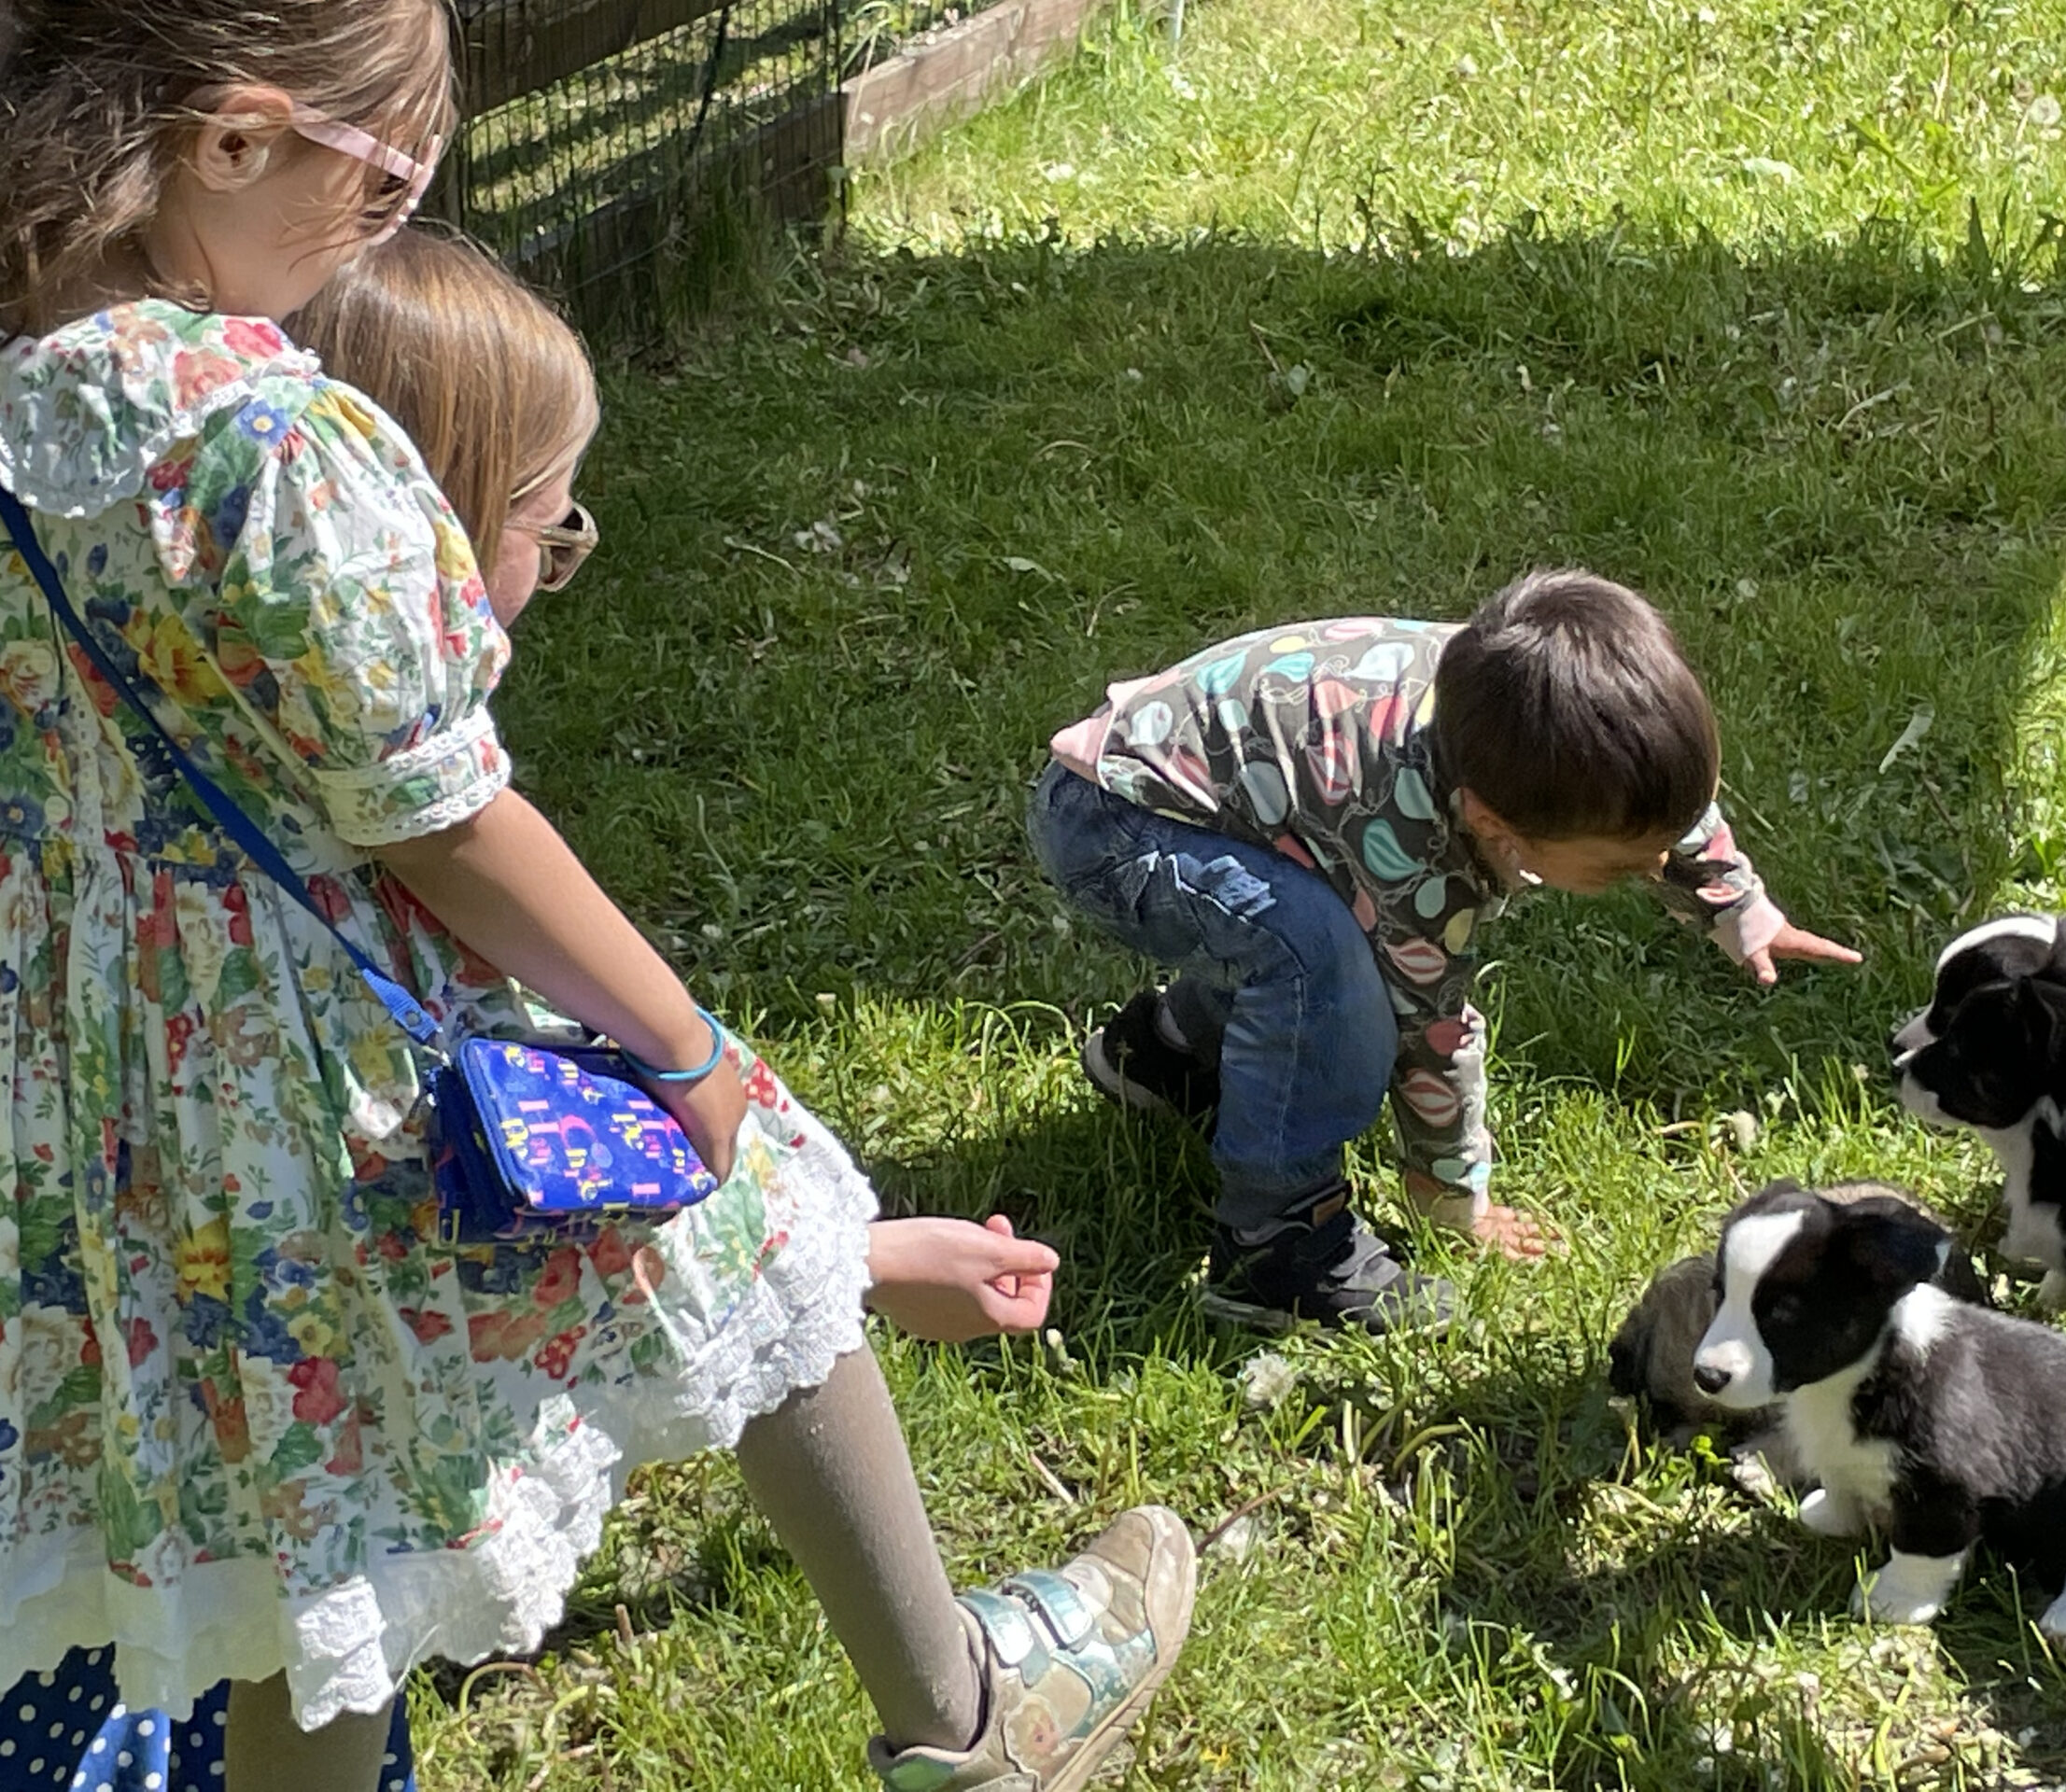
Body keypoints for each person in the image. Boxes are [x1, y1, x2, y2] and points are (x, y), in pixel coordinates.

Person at [0, 11, 1192, 1791]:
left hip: (129, 1087)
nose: (395, 223)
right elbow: (440, 817)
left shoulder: (32, 398)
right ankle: (971, 1722)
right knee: (758, 1213)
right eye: (386, 172)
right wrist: (683, 1038)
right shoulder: (267, 437)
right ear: (235, 144)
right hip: (349, 1053)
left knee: (298, 1512)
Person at [1029, 574, 1862, 1334]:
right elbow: (1426, 1032)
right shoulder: (1419, 846)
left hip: (1186, 791)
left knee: (1312, 926)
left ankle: (1168, 1056)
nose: (1650, 868)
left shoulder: (1514, 708)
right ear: (1497, 828)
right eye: (1616, 865)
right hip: (1115, 831)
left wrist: (1736, 903)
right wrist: (1449, 1192)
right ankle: (1277, 1245)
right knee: (1326, 975)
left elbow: (1661, 803)